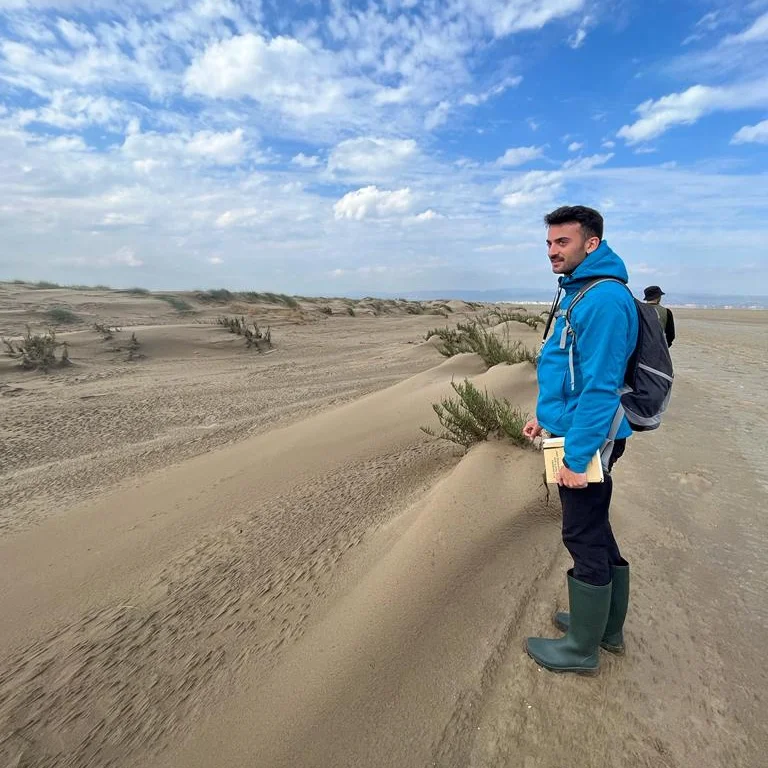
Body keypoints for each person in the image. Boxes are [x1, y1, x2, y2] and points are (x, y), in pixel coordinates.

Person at [522, 205, 638, 675]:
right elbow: (568, 371)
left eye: (562, 242)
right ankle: (605, 629)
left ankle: (582, 649)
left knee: (581, 533)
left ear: (591, 243)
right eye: (549, 243)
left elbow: (601, 388)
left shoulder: (603, 299)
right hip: (571, 428)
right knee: (596, 527)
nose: (552, 251)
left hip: (587, 439)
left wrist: (576, 456)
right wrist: (544, 416)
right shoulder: (580, 291)